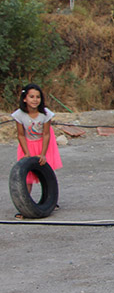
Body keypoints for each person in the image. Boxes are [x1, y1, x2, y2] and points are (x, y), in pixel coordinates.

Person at [11, 84, 63, 219]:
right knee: (26, 177)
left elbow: (46, 134)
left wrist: (43, 153)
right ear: (24, 99)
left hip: (44, 144)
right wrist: (26, 153)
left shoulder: (45, 114)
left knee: (46, 172)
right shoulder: (19, 115)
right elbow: (21, 135)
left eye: (38, 97)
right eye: (31, 97)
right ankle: (25, 206)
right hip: (27, 145)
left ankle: (50, 202)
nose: (35, 100)